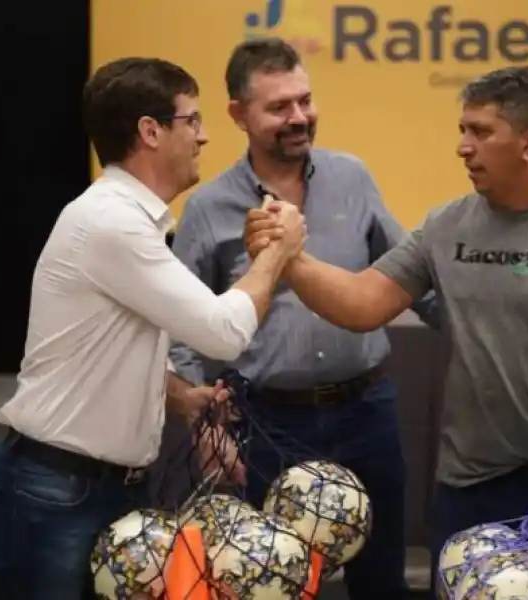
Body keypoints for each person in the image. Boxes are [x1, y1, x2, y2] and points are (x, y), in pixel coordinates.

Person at [245, 65, 528, 595]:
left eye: (481, 131)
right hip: (466, 486)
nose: (463, 147)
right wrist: (288, 258)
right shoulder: (447, 225)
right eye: (462, 130)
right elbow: (362, 303)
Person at [0, 57, 305, 600]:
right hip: (57, 490)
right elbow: (223, 333)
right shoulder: (114, 222)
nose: (202, 136)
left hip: (91, 488)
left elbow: (106, 345)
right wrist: (278, 253)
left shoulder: (124, 219)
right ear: (150, 131)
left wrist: (179, 395)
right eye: (191, 120)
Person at [169, 37, 438, 600]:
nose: (300, 117)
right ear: (239, 116)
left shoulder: (353, 177)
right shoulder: (209, 208)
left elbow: (410, 277)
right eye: (279, 107)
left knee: (381, 578)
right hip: (268, 424)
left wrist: (476, 325)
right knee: (272, 584)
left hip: (368, 412)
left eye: (305, 100)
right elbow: (179, 329)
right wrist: (202, 422)